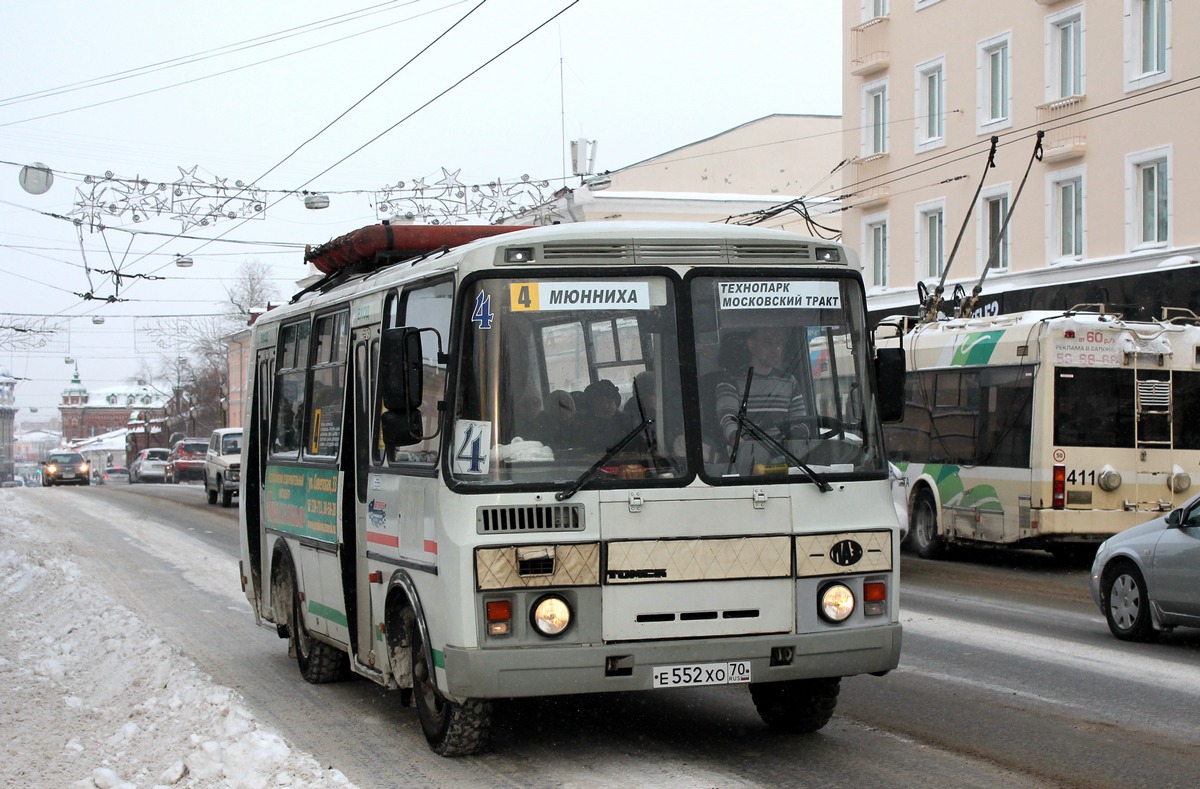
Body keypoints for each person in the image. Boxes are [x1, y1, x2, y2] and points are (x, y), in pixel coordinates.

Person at [713, 326, 809, 451]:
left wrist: (795, 438)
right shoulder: (730, 381)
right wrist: (737, 439)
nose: (775, 348)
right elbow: (728, 417)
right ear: (751, 344)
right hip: (748, 458)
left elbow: (800, 420)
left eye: (778, 343)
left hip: (785, 456)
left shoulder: (789, 381)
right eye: (768, 342)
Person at [580, 379, 625, 452]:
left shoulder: (627, 421)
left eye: (610, 402)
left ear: (616, 403)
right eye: (600, 403)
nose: (606, 406)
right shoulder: (583, 426)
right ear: (591, 406)